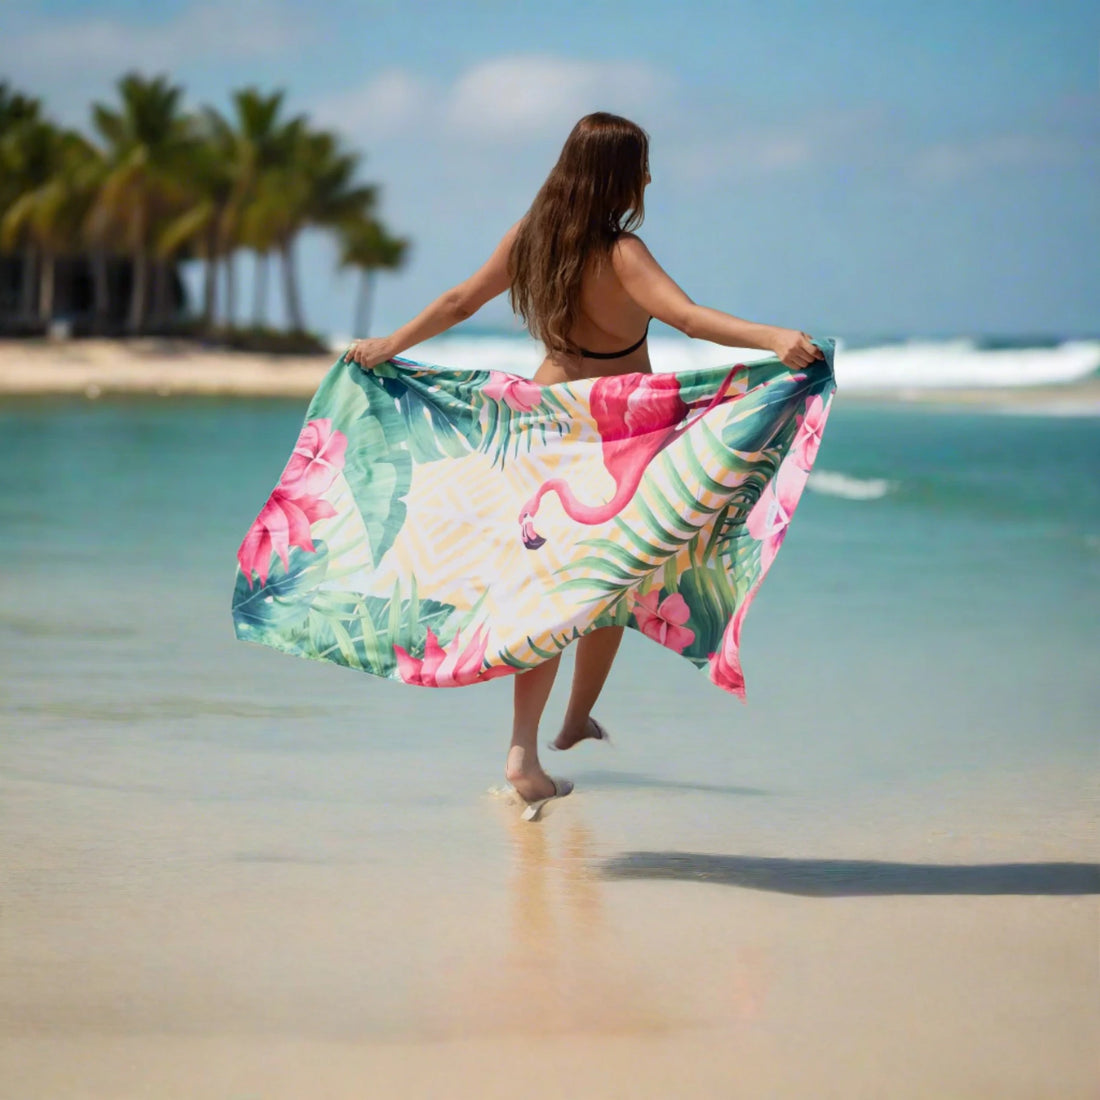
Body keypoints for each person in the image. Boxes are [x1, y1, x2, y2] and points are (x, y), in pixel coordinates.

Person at [345, 111, 824, 810]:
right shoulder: (623, 252)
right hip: (618, 433)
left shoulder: (532, 239)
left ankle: (532, 747)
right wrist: (774, 338)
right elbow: (687, 318)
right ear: (619, 177)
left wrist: (390, 344)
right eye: (642, 168)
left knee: (549, 593)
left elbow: (456, 302)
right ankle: (564, 725)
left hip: (541, 429)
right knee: (614, 585)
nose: (650, 180)